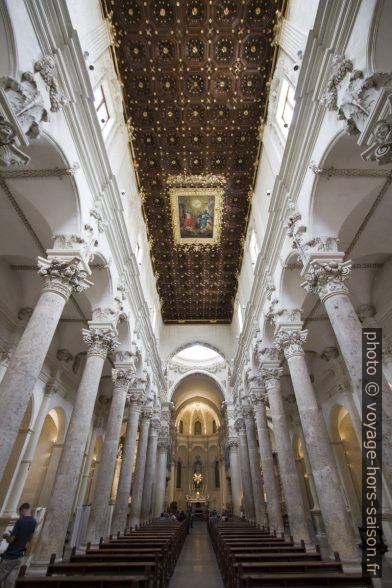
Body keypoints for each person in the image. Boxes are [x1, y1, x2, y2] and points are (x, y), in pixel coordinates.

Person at [0, 503, 36, 587]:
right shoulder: (34, 521)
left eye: (20, 513)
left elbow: (11, 540)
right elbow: (29, 538)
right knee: (10, 580)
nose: (20, 515)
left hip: (10, 554)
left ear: (23, 510)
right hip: (20, 555)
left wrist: (5, 536)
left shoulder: (20, 520)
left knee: (1, 574)